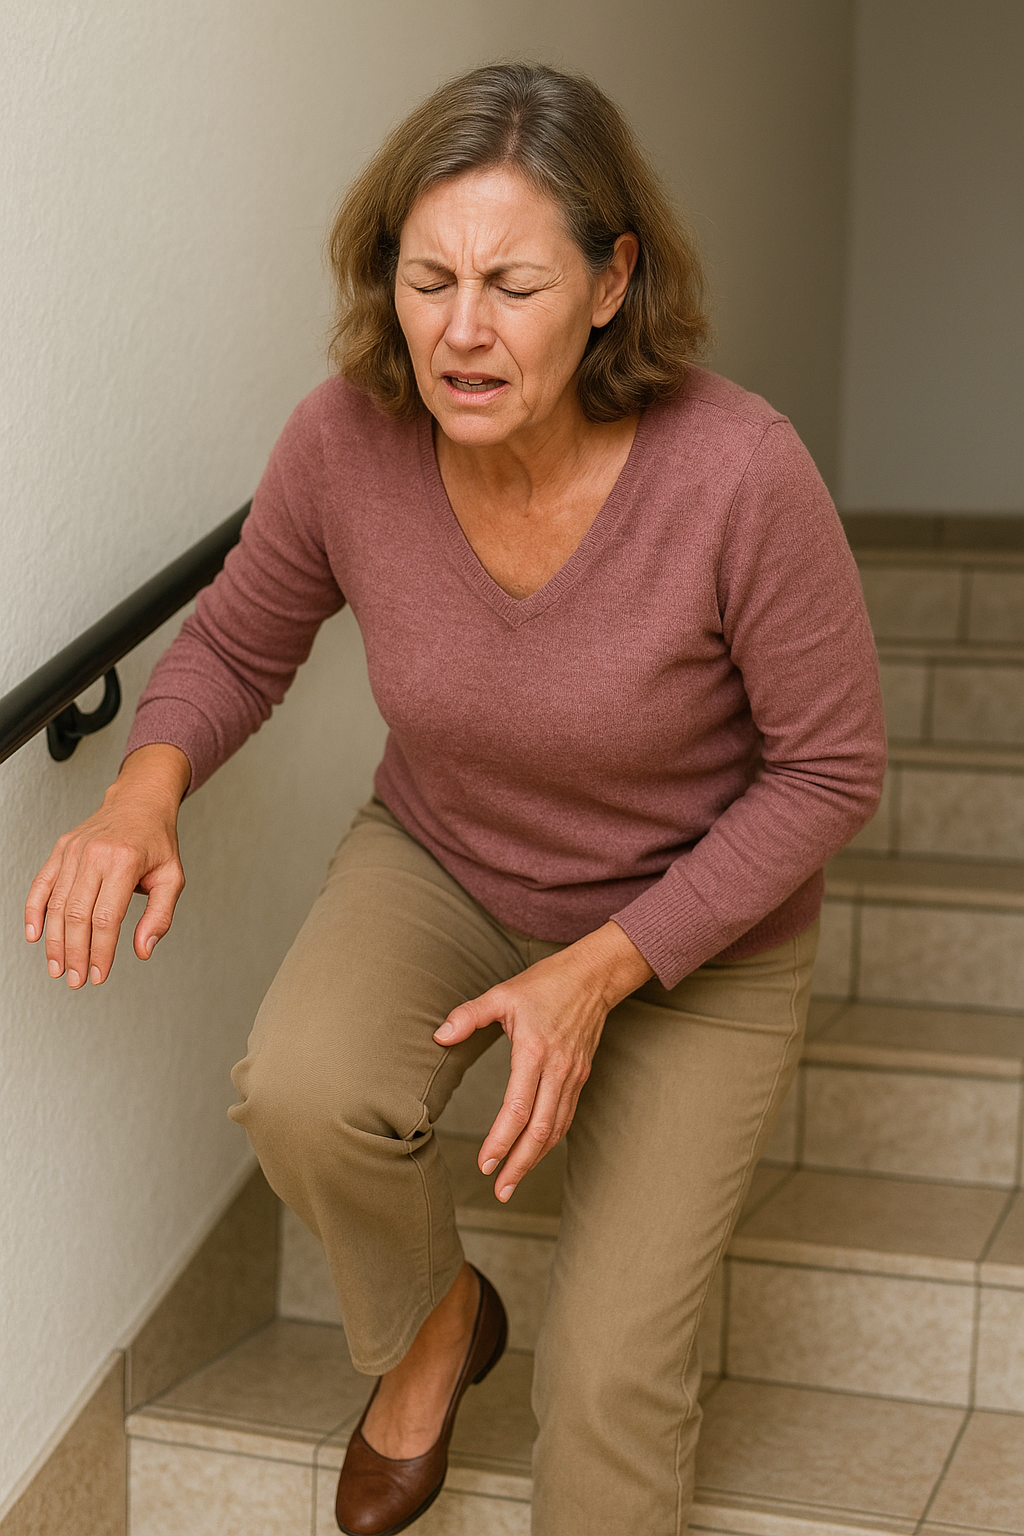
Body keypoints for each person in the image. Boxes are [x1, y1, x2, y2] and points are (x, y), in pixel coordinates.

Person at [24, 62, 886, 1536]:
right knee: (303, 1090)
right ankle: (437, 1327)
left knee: (614, 1380)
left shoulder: (740, 473)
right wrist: (138, 796)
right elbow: (240, 637)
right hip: (450, 862)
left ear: (615, 282)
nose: (462, 330)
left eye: (512, 283)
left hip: (699, 933)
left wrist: (606, 969)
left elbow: (832, 769)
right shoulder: (344, 441)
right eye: (428, 280)